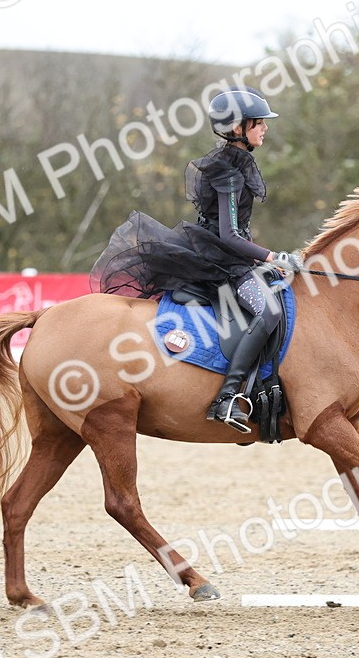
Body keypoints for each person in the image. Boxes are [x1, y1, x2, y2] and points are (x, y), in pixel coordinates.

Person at [89, 86, 303, 433]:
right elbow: (230, 236)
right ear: (238, 128)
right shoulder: (228, 172)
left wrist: (263, 258)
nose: (265, 128)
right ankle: (228, 396)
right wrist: (273, 256)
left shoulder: (233, 163)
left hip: (230, 256)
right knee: (269, 310)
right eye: (259, 122)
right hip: (222, 260)